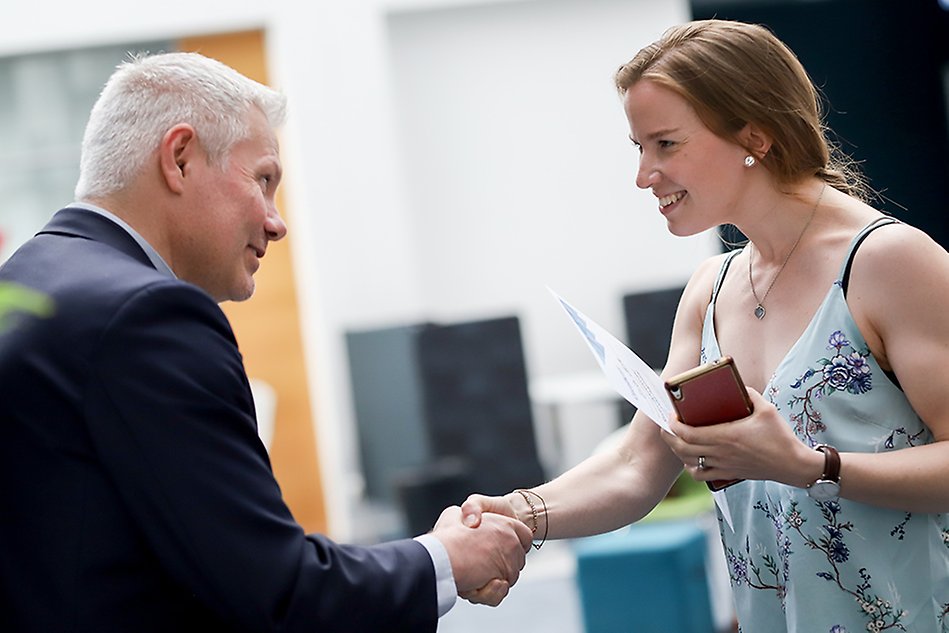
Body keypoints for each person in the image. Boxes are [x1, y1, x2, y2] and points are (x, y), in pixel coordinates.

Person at [0, 51, 532, 632]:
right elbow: (277, 595)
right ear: (179, 159)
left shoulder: (26, 282)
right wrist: (446, 559)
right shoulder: (149, 317)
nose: (277, 222)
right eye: (263, 180)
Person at [463, 19, 949, 632]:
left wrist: (811, 466)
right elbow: (637, 466)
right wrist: (522, 512)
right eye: (639, 148)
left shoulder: (889, 261)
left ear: (757, 136)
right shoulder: (709, 290)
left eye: (665, 144)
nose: (644, 175)